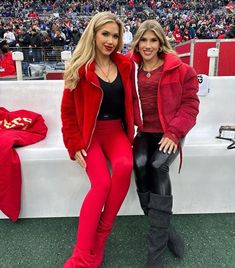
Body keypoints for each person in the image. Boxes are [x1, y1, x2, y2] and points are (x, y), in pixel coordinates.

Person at [61, 12, 134, 268]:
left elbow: (132, 102)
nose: (110, 40)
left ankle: (101, 235)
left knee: (125, 166)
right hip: (90, 136)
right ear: (93, 33)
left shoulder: (126, 65)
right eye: (105, 34)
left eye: (115, 35)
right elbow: (68, 112)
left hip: (116, 132)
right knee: (101, 185)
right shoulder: (78, 69)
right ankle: (81, 255)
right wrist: (73, 144)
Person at [130, 20, 199, 267]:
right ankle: (167, 230)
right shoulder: (130, 68)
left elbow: (190, 106)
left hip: (171, 131)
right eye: (143, 40)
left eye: (153, 40)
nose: (148, 46)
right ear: (137, 41)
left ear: (161, 43)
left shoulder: (181, 70)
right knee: (139, 164)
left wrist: (173, 133)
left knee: (157, 165)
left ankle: (155, 254)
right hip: (144, 132)